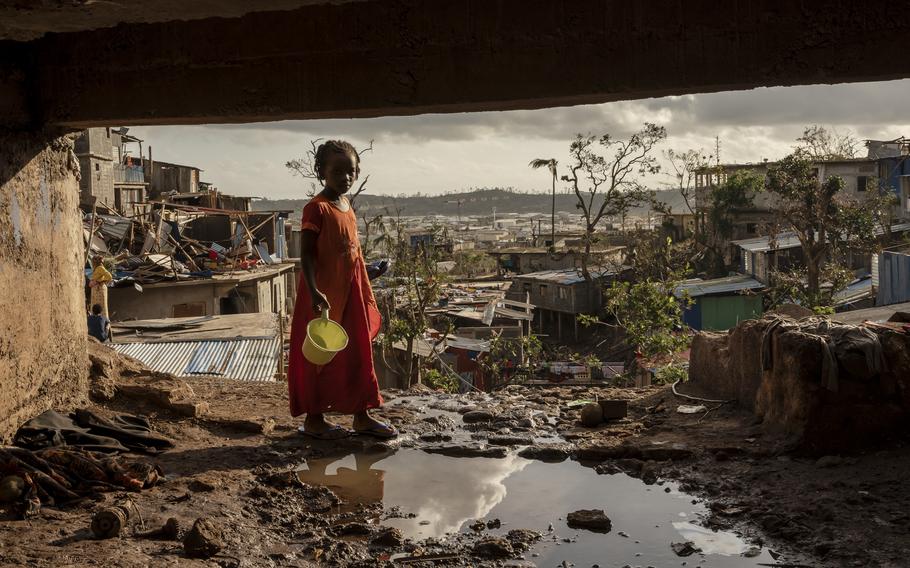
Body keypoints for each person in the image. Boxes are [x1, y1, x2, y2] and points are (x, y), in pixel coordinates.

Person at [288, 140, 397, 440]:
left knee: (357, 353)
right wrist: (313, 290)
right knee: (318, 359)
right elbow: (307, 255)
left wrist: (368, 274)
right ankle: (314, 419)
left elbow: (350, 252)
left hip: (350, 293)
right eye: (337, 171)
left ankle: (362, 415)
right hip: (322, 297)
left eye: (350, 172)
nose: (345, 178)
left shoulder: (347, 206)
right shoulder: (316, 208)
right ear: (321, 171)